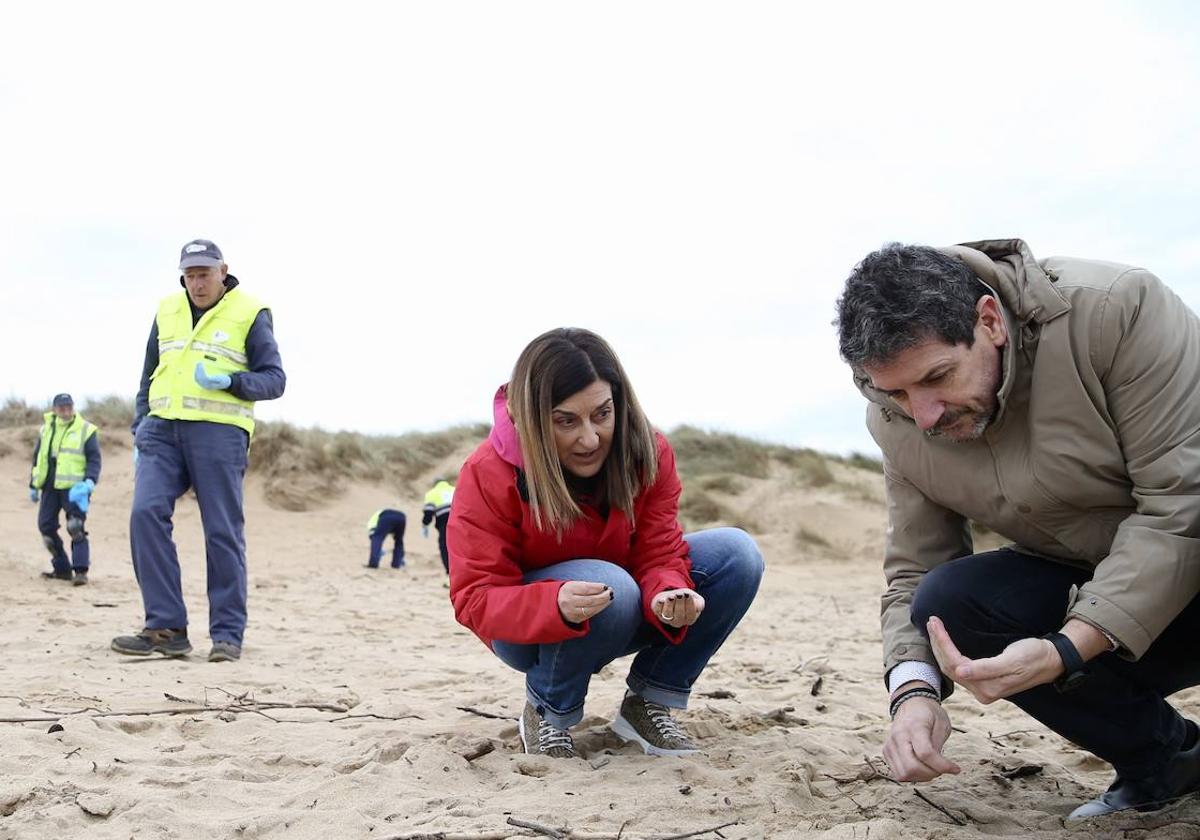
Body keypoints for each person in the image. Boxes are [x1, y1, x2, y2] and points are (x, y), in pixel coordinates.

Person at [835, 240, 1200, 819]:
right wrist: (913, 693)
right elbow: (914, 568)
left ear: (989, 321)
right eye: (898, 392)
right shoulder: (896, 419)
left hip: (1188, 567)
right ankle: (1165, 761)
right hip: (1100, 594)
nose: (923, 414)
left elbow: (1182, 505)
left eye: (937, 376)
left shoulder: (1115, 310)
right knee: (949, 600)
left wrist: (1068, 647)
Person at [449, 328, 764, 758]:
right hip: (526, 632)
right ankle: (546, 711)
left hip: (624, 599)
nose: (590, 438)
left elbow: (659, 548)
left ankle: (648, 703)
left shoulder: (647, 452)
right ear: (535, 417)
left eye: (602, 414)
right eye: (566, 421)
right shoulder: (487, 471)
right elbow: (473, 598)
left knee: (737, 554)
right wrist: (551, 605)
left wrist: (668, 593)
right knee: (609, 581)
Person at [112, 239, 285, 663]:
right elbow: (148, 374)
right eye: (190, 274)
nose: (197, 282)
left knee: (221, 532)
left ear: (222, 270)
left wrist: (231, 381)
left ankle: (227, 635)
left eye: (204, 273)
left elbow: (275, 380)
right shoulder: (167, 309)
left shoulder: (250, 310)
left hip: (219, 434)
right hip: (162, 432)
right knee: (144, 514)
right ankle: (166, 627)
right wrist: (141, 426)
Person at [29, 393, 101, 586]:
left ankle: (80, 571)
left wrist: (90, 482)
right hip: (50, 485)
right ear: (54, 409)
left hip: (74, 487)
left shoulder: (86, 429)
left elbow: (94, 458)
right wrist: (33, 485)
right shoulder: (45, 430)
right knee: (46, 527)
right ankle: (61, 569)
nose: (66, 411)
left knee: (75, 527)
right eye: (62, 408)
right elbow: (38, 458)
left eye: (69, 407)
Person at [421, 477, 455, 572]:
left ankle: (450, 573)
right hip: (459, 519)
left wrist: (425, 524)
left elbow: (428, 512)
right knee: (460, 546)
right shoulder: (454, 489)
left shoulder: (432, 493)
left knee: (445, 547)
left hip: (444, 522)